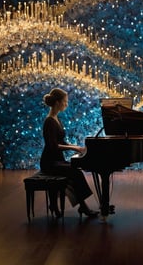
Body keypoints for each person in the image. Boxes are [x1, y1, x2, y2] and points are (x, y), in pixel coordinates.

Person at [40, 87, 99, 218]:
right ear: (57, 103)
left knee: (74, 171)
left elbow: (61, 141)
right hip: (49, 162)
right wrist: (74, 148)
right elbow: (53, 146)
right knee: (75, 172)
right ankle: (83, 207)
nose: (66, 104)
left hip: (57, 160)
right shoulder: (49, 121)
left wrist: (76, 147)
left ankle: (61, 205)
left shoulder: (56, 119)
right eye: (65, 101)